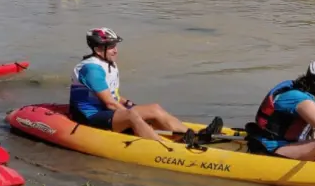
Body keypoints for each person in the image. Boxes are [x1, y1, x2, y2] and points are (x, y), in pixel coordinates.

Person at [69, 27, 223, 143]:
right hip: (90, 117)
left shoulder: (107, 63)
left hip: (107, 111)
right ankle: (162, 146)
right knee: (131, 115)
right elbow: (109, 102)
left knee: (154, 108)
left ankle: (194, 136)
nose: (115, 50)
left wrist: (128, 103)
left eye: (115, 46)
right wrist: (137, 117)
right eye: (110, 47)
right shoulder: (91, 69)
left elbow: (112, 95)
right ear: (97, 49)